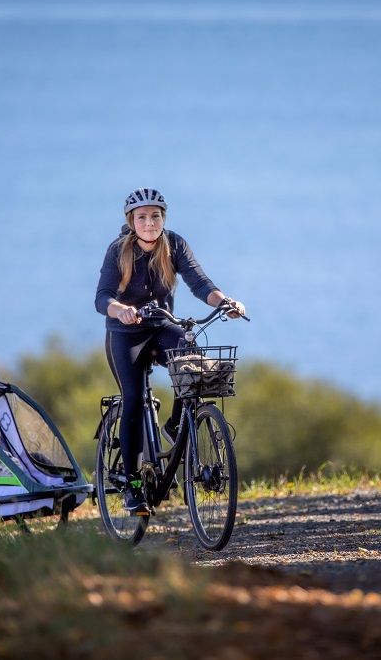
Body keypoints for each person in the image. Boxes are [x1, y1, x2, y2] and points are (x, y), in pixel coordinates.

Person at [95, 187, 246, 515]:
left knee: (190, 354)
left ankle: (176, 425)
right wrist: (119, 309)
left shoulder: (174, 244)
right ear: (131, 221)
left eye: (155, 216)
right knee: (134, 402)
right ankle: (134, 488)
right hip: (125, 335)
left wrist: (226, 302)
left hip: (162, 326)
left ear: (163, 218)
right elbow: (102, 297)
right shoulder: (117, 251)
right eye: (142, 217)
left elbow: (200, 283)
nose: (149, 223)